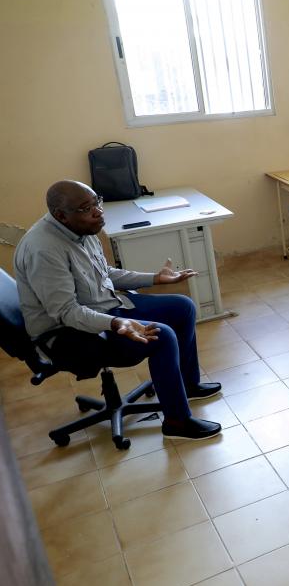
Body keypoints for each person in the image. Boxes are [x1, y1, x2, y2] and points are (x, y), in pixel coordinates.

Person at [13, 181, 222, 440]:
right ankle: (177, 422)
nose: (98, 212)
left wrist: (155, 278)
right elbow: (66, 312)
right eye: (86, 208)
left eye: (97, 202)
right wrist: (115, 323)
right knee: (162, 336)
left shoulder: (81, 228)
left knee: (182, 307)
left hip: (103, 307)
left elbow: (106, 274)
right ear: (61, 215)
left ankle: (188, 385)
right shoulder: (43, 250)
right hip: (69, 334)